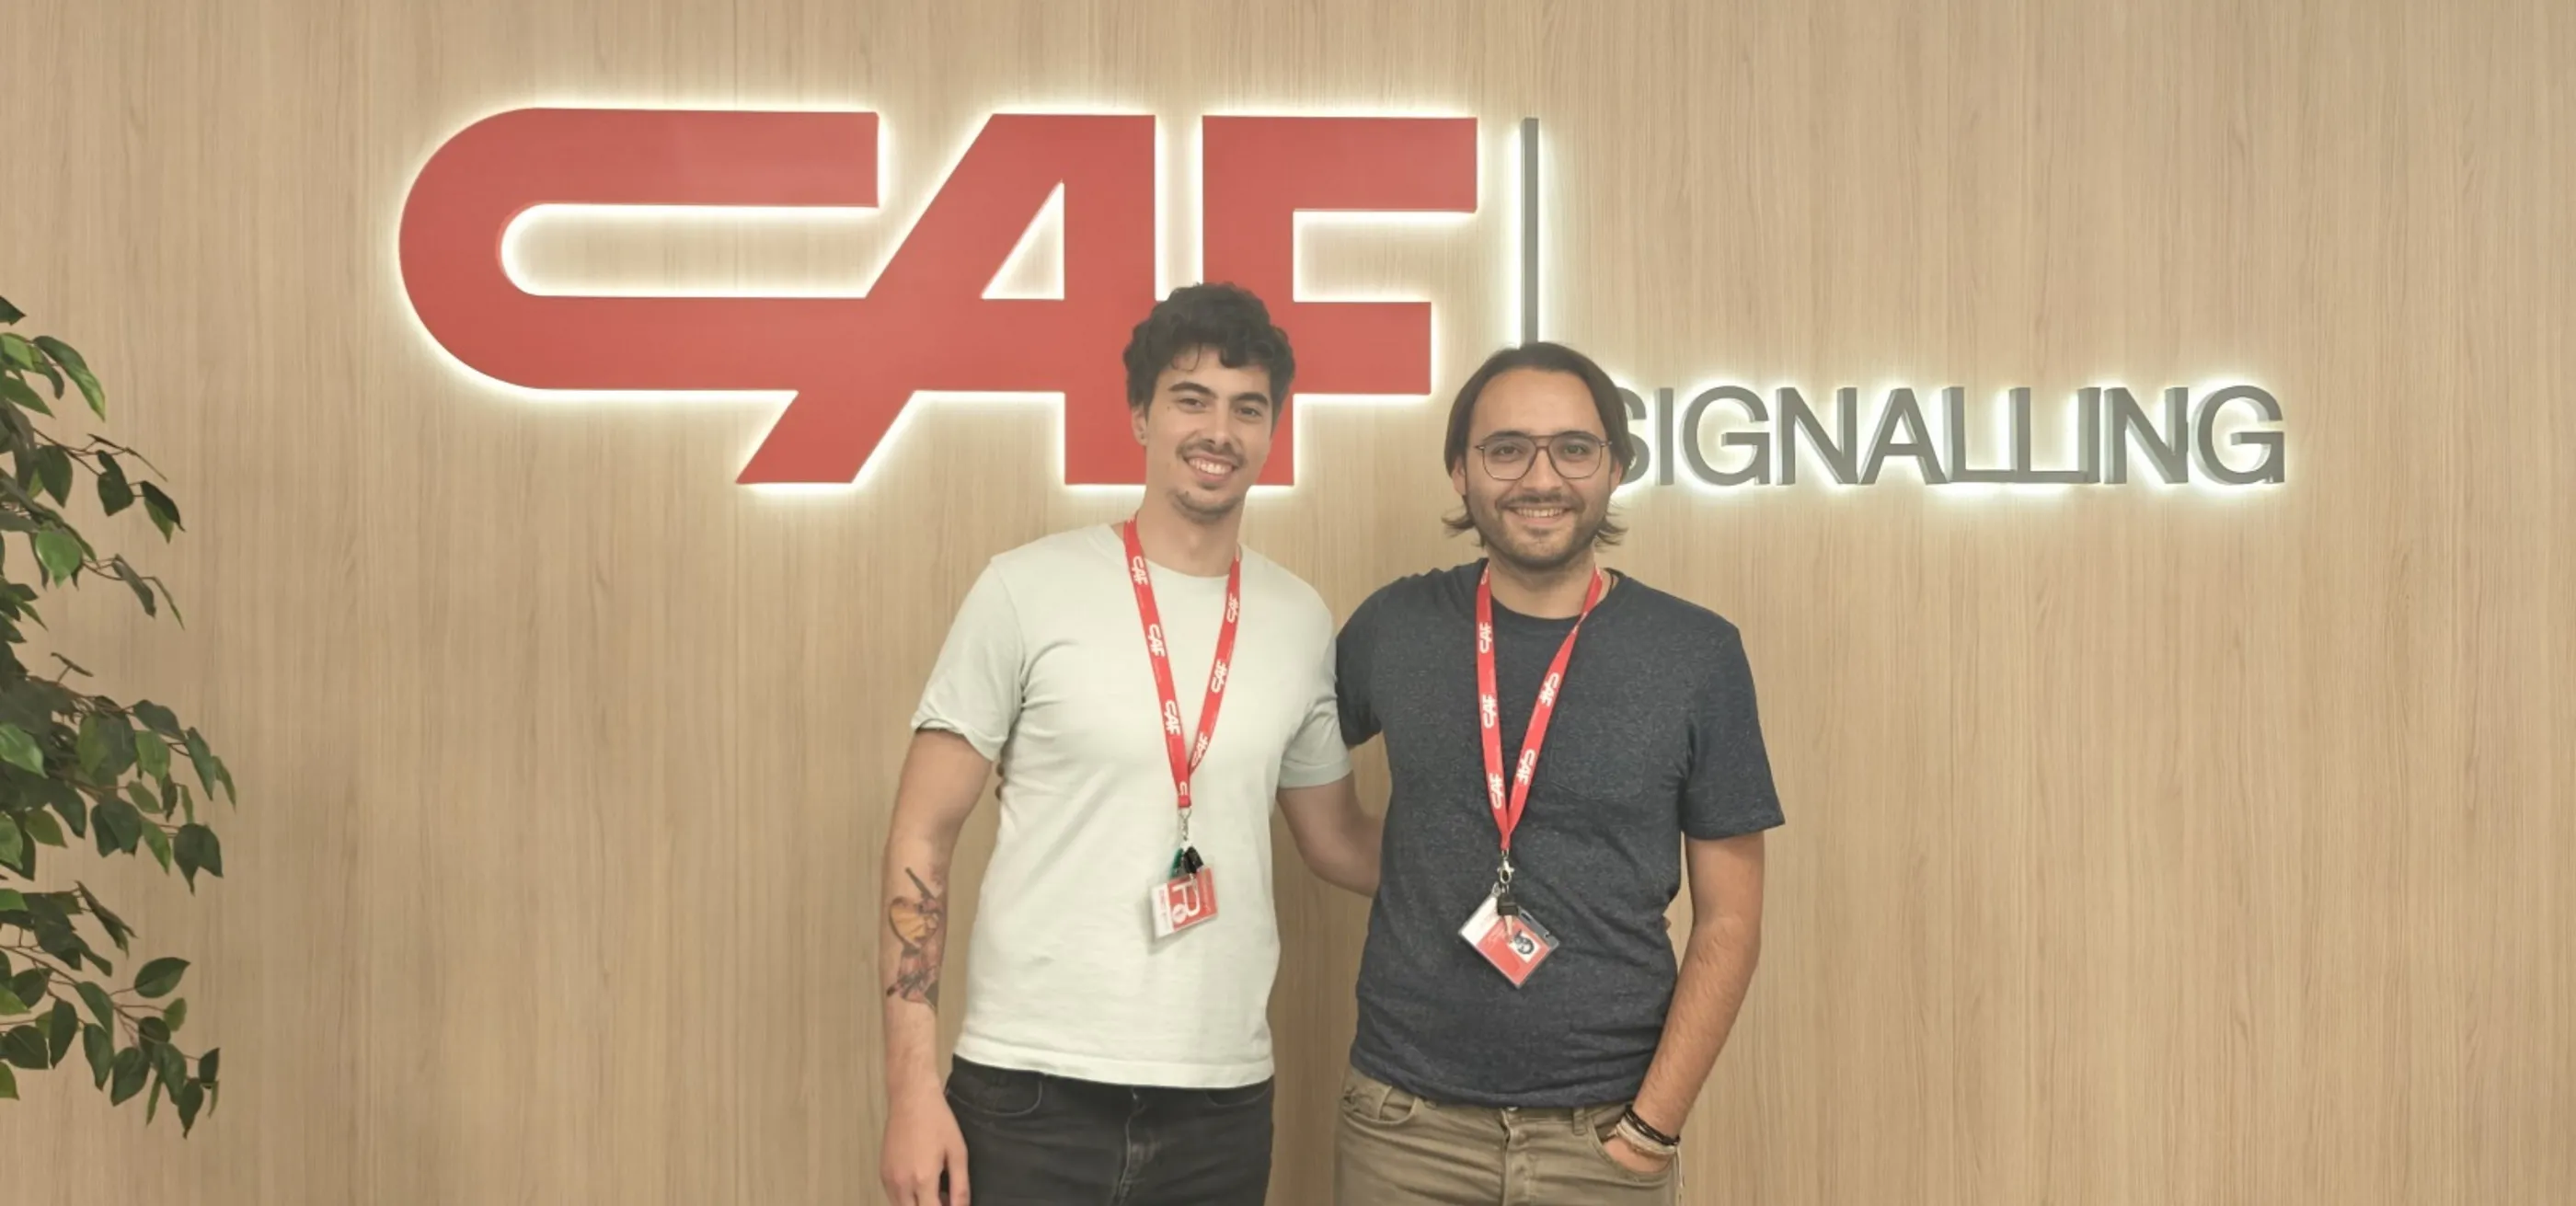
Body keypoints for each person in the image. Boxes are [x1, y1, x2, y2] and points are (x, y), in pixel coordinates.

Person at [876, 283, 1383, 1206]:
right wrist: (911, 1090)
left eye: (1247, 407)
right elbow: (922, 837)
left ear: (1273, 430)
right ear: (1141, 415)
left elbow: (1337, 838)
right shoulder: (1024, 590)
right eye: (1191, 399)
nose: (1217, 430)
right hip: (1028, 1087)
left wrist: (1505, 863)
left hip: (1220, 1099)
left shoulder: (1298, 617)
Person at [1329, 341, 1783, 1204]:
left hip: (1603, 1135)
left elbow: (1731, 919)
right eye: (1506, 449)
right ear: (1460, 470)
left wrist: (1650, 1130)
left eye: (1574, 447)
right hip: (1403, 1128)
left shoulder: (1696, 653)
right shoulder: (1395, 627)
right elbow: (1275, 763)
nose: (1542, 476)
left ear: (1615, 465)